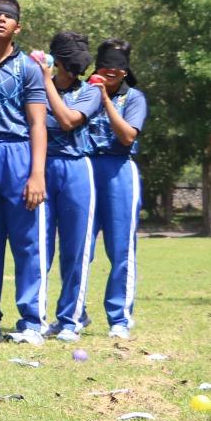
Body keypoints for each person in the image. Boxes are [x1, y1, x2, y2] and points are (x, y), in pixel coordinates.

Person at [0, 0, 49, 345]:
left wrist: (37, 174)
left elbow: (38, 124)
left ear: (17, 27)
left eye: (8, 17)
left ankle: (32, 321)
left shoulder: (28, 68)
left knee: (26, 241)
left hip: (17, 152)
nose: (1, 20)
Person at [37, 32, 104, 341]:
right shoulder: (37, 84)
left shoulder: (90, 91)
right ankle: (38, 317)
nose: (75, 69)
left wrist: (46, 80)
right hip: (42, 168)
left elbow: (66, 120)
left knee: (75, 250)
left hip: (77, 168)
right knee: (39, 247)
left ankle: (71, 318)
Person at [86, 38, 147, 339]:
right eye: (105, 65)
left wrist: (105, 99)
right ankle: (73, 315)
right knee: (79, 249)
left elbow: (127, 137)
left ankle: (119, 318)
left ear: (125, 71)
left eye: (117, 66)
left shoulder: (134, 98)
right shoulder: (81, 92)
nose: (110, 71)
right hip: (84, 169)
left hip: (119, 170)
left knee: (121, 249)